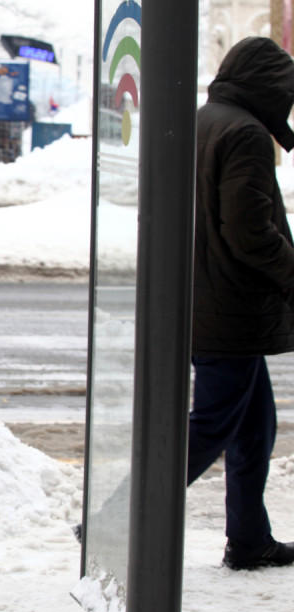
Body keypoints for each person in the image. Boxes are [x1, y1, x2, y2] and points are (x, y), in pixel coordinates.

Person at [190, 35, 294, 571]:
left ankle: (250, 540)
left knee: (255, 429)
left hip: (213, 299)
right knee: (208, 427)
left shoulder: (209, 119)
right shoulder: (246, 133)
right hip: (231, 308)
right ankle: (113, 519)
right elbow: (250, 230)